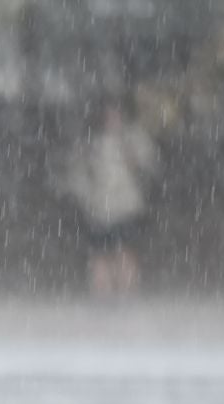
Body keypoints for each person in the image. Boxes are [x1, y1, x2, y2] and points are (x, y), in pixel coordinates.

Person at [62, 95, 159, 298]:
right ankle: (102, 297)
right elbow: (76, 174)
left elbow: (150, 165)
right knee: (100, 257)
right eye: (108, 112)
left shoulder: (134, 138)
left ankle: (127, 295)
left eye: (116, 112)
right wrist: (87, 198)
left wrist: (134, 158)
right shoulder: (89, 143)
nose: (112, 117)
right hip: (98, 209)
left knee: (126, 253)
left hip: (128, 207)